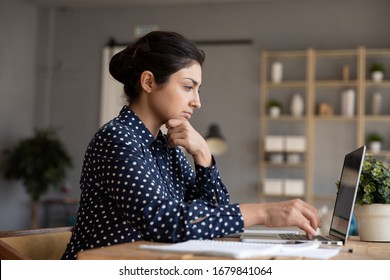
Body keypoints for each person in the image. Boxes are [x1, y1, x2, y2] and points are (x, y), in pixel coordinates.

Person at [62, 31, 320, 259]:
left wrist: (203, 156)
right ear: (149, 82)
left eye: (198, 90)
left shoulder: (167, 146)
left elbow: (213, 217)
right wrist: (263, 213)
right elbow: (165, 222)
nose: (197, 101)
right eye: (188, 87)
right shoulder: (116, 139)